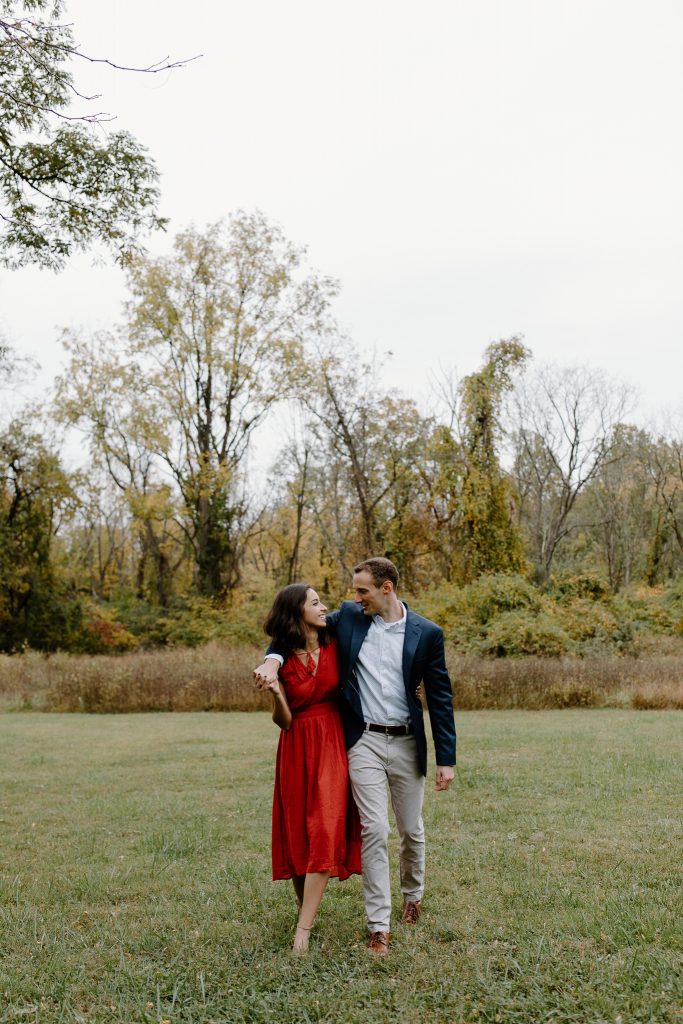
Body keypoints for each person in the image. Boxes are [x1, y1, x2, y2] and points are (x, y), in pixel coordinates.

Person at [254, 556, 456, 956]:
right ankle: (378, 926)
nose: (353, 597)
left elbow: (440, 697)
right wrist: (272, 660)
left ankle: (412, 895)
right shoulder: (350, 618)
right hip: (361, 740)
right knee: (373, 830)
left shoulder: (427, 633)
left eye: (362, 590)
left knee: (411, 829)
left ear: (387, 588)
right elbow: (288, 629)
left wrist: (446, 759)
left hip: (406, 741)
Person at [256, 582, 361, 954]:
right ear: (295, 612)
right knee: (298, 831)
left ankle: (303, 930)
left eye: (321, 602)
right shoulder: (282, 656)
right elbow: (283, 720)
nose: (323, 607)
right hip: (295, 744)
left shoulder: (335, 635)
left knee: (324, 827)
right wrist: (275, 693)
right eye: (314, 602)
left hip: (332, 741)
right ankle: (306, 909)